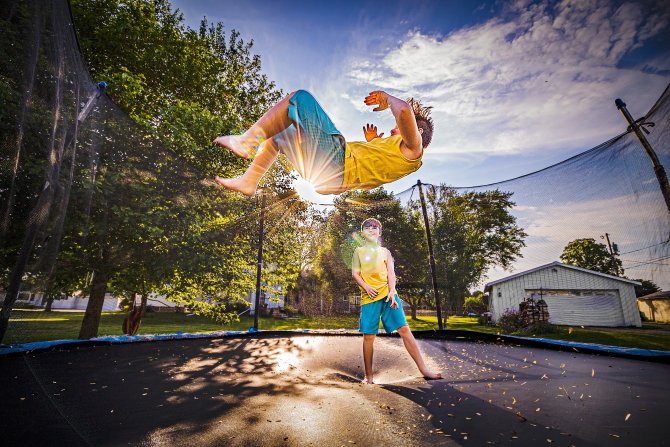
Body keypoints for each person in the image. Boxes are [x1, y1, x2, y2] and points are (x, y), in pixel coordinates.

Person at [213, 90, 434, 195]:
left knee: (301, 99)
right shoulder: (397, 153)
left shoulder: (414, 149)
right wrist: (373, 142)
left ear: (419, 129)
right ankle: (249, 181)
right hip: (329, 182)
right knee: (281, 134)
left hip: (337, 165)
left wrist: (388, 100)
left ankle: (246, 142)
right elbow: (376, 164)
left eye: (400, 128)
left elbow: (404, 111)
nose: (393, 129)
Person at [352, 218, 442, 384]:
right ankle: (369, 376)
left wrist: (392, 291)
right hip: (369, 297)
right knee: (369, 337)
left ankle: (424, 370)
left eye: (375, 227)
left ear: (379, 232)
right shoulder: (358, 251)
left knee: (404, 329)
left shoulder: (385, 252)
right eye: (368, 228)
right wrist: (366, 287)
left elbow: (391, 274)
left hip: (389, 296)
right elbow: (355, 274)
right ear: (362, 233)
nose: (372, 230)